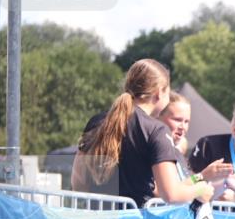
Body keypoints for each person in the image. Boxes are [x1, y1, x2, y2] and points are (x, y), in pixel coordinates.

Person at [72, 59, 214, 207]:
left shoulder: (96, 121)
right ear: (159, 93)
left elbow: (79, 184)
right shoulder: (156, 130)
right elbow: (170, 194)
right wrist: (200, 189)